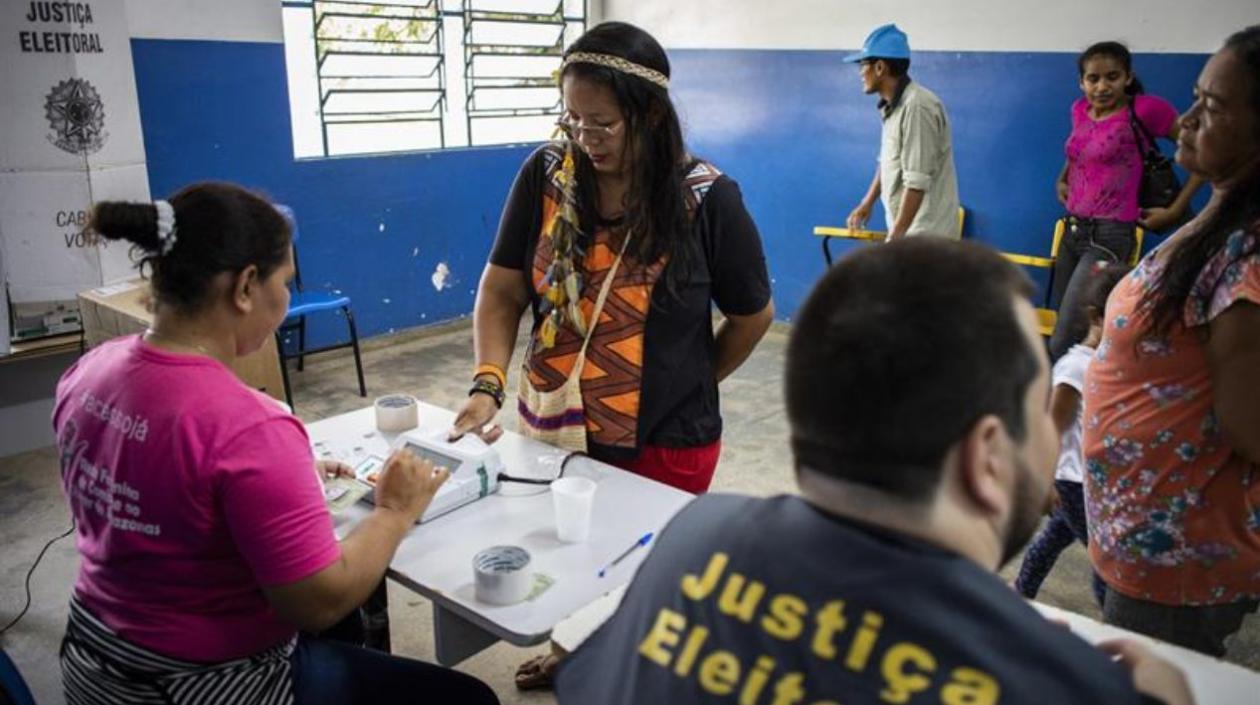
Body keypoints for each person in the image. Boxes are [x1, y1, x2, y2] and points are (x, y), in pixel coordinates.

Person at [555, 238, 1194, 705]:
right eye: (1041, 414)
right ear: (988, 455)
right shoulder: (1071, 686)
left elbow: (584, 679)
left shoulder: (691, 537)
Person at [54, 183, 499, 704]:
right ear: (246, 287)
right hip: (196, 685)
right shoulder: (250, 427)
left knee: (342, 637)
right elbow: (319, 602)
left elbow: (161, 480)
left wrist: (279, 478)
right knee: (470, 698)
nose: (287, 299)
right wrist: (395, 512)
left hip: (92, 661)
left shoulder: (89, 373)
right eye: (285, 282)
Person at [451, 22, 774, 495]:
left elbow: (752, 316)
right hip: (552, 428)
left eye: (603, 123)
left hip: (664, 449)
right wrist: (487, 384)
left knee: (638, 566)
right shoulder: (545, 176)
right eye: (573, 119)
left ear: (653, 115)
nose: (586, 137)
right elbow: (502, 291)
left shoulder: (706, 199)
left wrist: (690, 384)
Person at [1083, 25, 1260, 657]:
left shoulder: (1249, 257)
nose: (1185, 119)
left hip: (1179, 558)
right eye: (1194, 97)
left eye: (1211, 108)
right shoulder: (1219, 221)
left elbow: (1252, 427)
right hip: (1140, 538)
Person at [1048, 41, 1205, 359]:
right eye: (1093, 78)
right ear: (1082, 82)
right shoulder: (1079, 109)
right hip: (1072, 232)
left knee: (1065, 340)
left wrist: (1174, 209)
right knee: (1076, 334)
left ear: (1128, 77)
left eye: (1112, 76)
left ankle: (1079, 402)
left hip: (1109, 236)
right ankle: (1084, 403)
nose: (1102, 86)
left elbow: (1200, 152)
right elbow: (1081, 150)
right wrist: (1062, 178)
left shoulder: (1146, 110)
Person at [1015, 262, 1128, 605]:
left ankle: (1020, 593)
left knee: (1053, 538)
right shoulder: (1076, 367)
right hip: (1073, 480)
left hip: (1088, 476)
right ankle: (1114, 614)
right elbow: (1052, 424)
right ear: (1097, 316)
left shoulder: (1108, 363)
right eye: (1120, 315)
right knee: (1102, 555)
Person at [845, 24, 961, 241]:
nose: (861, 73)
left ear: (880, 67)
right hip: (910, 235)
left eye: (863, 65)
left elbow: (916, 182)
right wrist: (867, 203)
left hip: (927, 238)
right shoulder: (893, 108)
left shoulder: (917, 107)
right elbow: (889, 162)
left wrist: (895, 239)